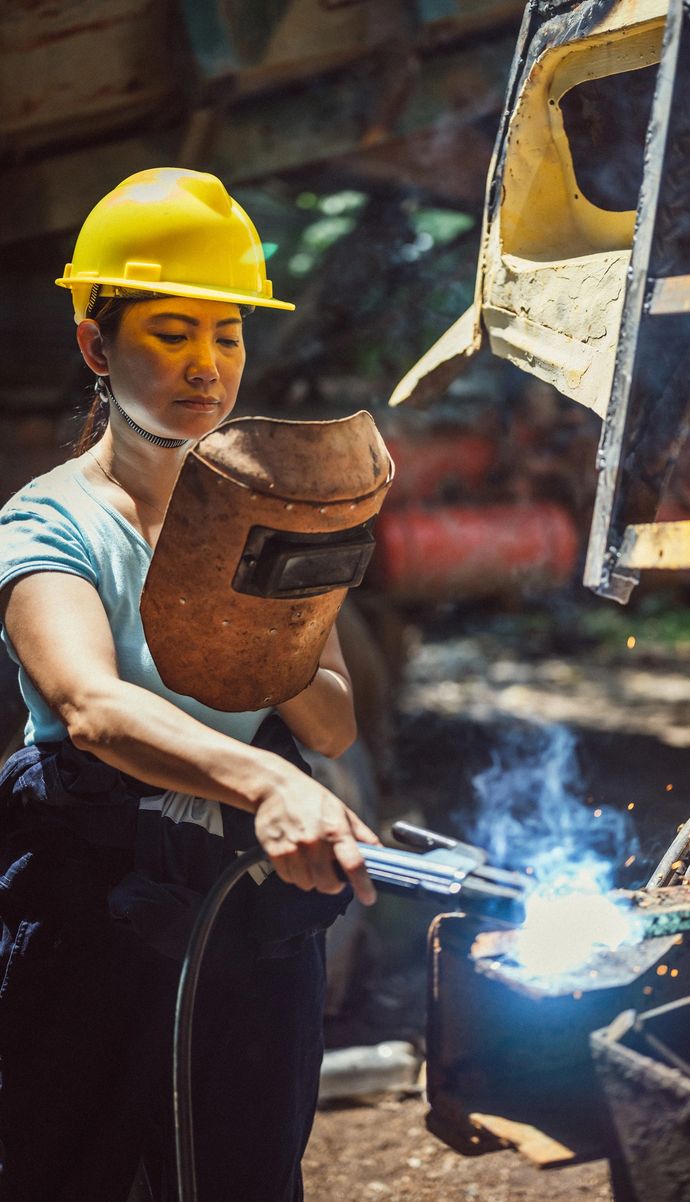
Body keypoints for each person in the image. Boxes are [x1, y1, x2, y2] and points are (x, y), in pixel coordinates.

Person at [0, 167, 379, 1202]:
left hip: (243, 904)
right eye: (170, 331)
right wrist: (265, 783)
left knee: (246, 1172)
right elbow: (89, 704)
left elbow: (334, 722)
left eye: (226, 334)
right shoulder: (49, 524)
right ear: (96, 344)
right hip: (96, 895)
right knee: (67, 1167)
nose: (204, 365)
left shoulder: (278, 518)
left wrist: (274, 599)